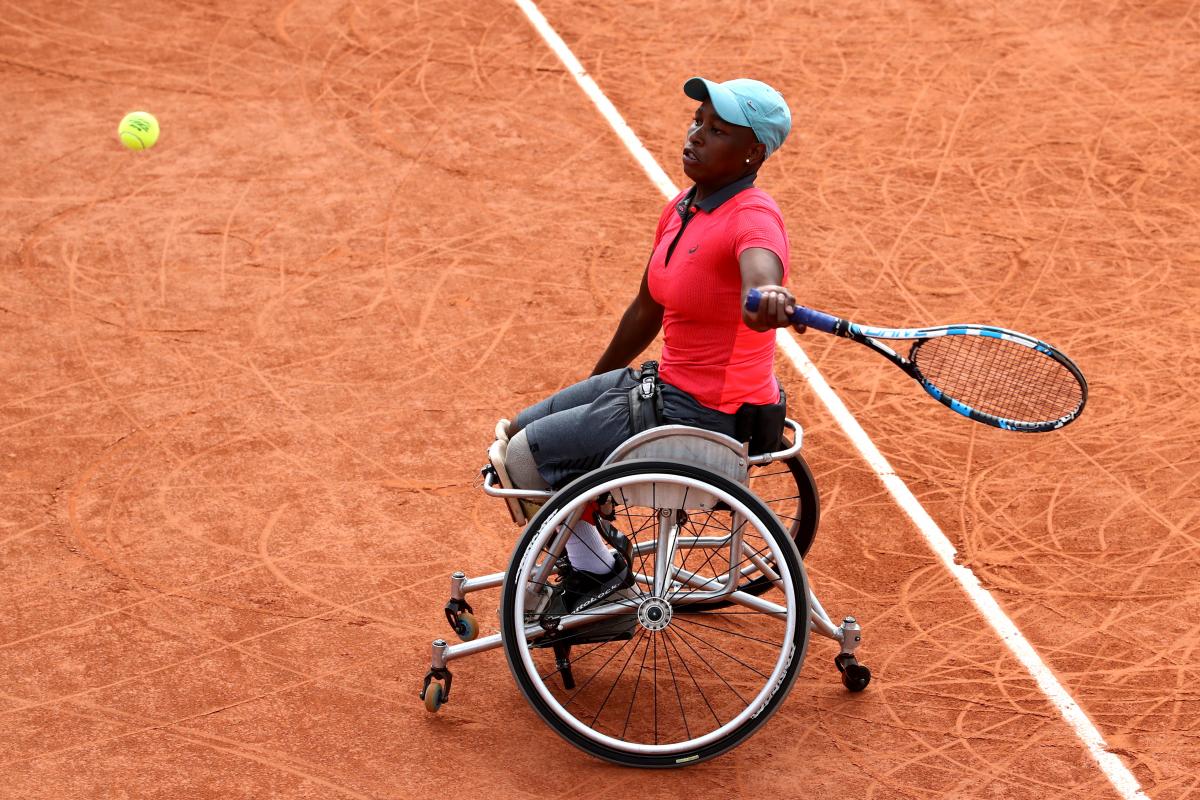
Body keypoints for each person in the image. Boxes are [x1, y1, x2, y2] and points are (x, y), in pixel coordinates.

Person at [491, 76, 807, 613]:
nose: (696, 136)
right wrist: (592, 388)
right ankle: (593, 544)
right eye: (697, 122)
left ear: (754, 151)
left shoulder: (754, 218)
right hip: (664, 385)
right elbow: (646, 309)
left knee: (522, 460)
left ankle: (598, 573)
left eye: (717, 131)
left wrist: (768, 295)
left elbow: (761, 273)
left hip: (707, 409)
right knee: (516, 432)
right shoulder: (684, 208)